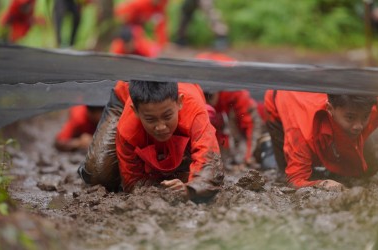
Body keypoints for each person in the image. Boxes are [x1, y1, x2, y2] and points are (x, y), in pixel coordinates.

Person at [79, 80, 224, 201]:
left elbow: (209, 162)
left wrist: (191, 190)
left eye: (167, 116)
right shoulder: (128, 126)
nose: (160, 127)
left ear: (180, 102)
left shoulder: (194, 112)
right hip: (123, 98)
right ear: (136, 112)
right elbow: (132, 180)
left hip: (185, 98)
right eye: (151, 119)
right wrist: (158, 189)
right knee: (98, 173)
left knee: (200, 171)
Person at [264, 90, 378, 190]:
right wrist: (324, 184)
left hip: (315, 100)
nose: (358, 126)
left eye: (365, 117)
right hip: (280, 97)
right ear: (330, 109)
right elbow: (294, 180)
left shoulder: (372, 109)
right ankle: (266, 147)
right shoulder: (301, 134)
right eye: (350, 117)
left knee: (370, 167)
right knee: (283, 175)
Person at [196, 52, 275, 170]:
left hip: (254, 110)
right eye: (204, 96)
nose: (208, 101)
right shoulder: (193, 89)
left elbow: (252, 125)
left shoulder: (234, 91)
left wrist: (248, 157)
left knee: (259, 150)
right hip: (220, 113)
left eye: (210, 96)